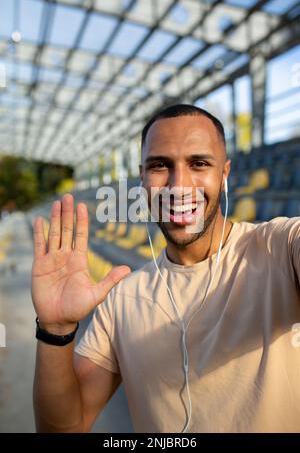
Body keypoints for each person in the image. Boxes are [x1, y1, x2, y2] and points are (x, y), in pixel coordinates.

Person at [31, 104, 300, 433]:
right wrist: (55, 330)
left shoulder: (280, 249)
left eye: (199, 163)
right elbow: (65, 427)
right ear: (142, 177)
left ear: (225, 173)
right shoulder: (122, 300)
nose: (178, 184)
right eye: (160, 165)